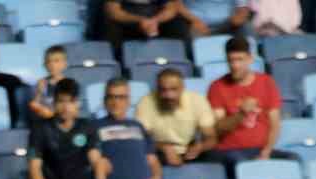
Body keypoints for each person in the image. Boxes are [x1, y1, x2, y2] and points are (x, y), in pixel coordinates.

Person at [97, 79, 176, 179]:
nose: (116, 102)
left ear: (128, 101)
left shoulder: (137, 126)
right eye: (111, 97)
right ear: (105, 101)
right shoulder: (94, 127)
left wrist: (157, 178)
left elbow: (152, 160)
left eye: (121, 97)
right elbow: (98, 163)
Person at [27, 78, 105, 179]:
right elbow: (34, 169)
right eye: (61, 101)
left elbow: (97, 163)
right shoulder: (40, 129)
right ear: (54, 103)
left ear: (78, 104)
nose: (65, 107)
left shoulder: (87, 127)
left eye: (70, 102)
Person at [207, 36, 280, 167]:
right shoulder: (217, 87)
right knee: (243, 164)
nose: (235, 65)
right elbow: (218, 128)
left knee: (293, 159)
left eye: (240, 60)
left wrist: (266, 151)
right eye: (231, 61)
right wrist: (241, 114)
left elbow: (275, 123)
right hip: (230, 150)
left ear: (250, 59)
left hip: (261, 148)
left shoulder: (266, 82)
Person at [136, 68, 216, 168]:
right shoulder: (146, 102)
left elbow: (211, 137)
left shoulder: (197, 100)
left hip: (189, 148)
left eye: (173, 89)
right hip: (158, 150)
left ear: (182, 88)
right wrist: (164, 148)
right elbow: (141, 138)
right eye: (163, 90)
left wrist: (200, 147)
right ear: (157, 89)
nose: (169, 95)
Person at [103, 0, 209, 45]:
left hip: (155, 16)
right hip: (128, 17)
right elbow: (113, 12)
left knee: (179, 25)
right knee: (111, 27)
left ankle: (177, 63)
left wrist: (155, 21)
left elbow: (171, 9)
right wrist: (140, 21)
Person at [27, 45, 68, 122]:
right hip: (46, 122)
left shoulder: (69, 83)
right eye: (48, 61)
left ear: (65, 64)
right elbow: (34, 105)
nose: (52, 65)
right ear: (44, 64)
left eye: (56, 61)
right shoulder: (40, 83)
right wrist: (39, 92)